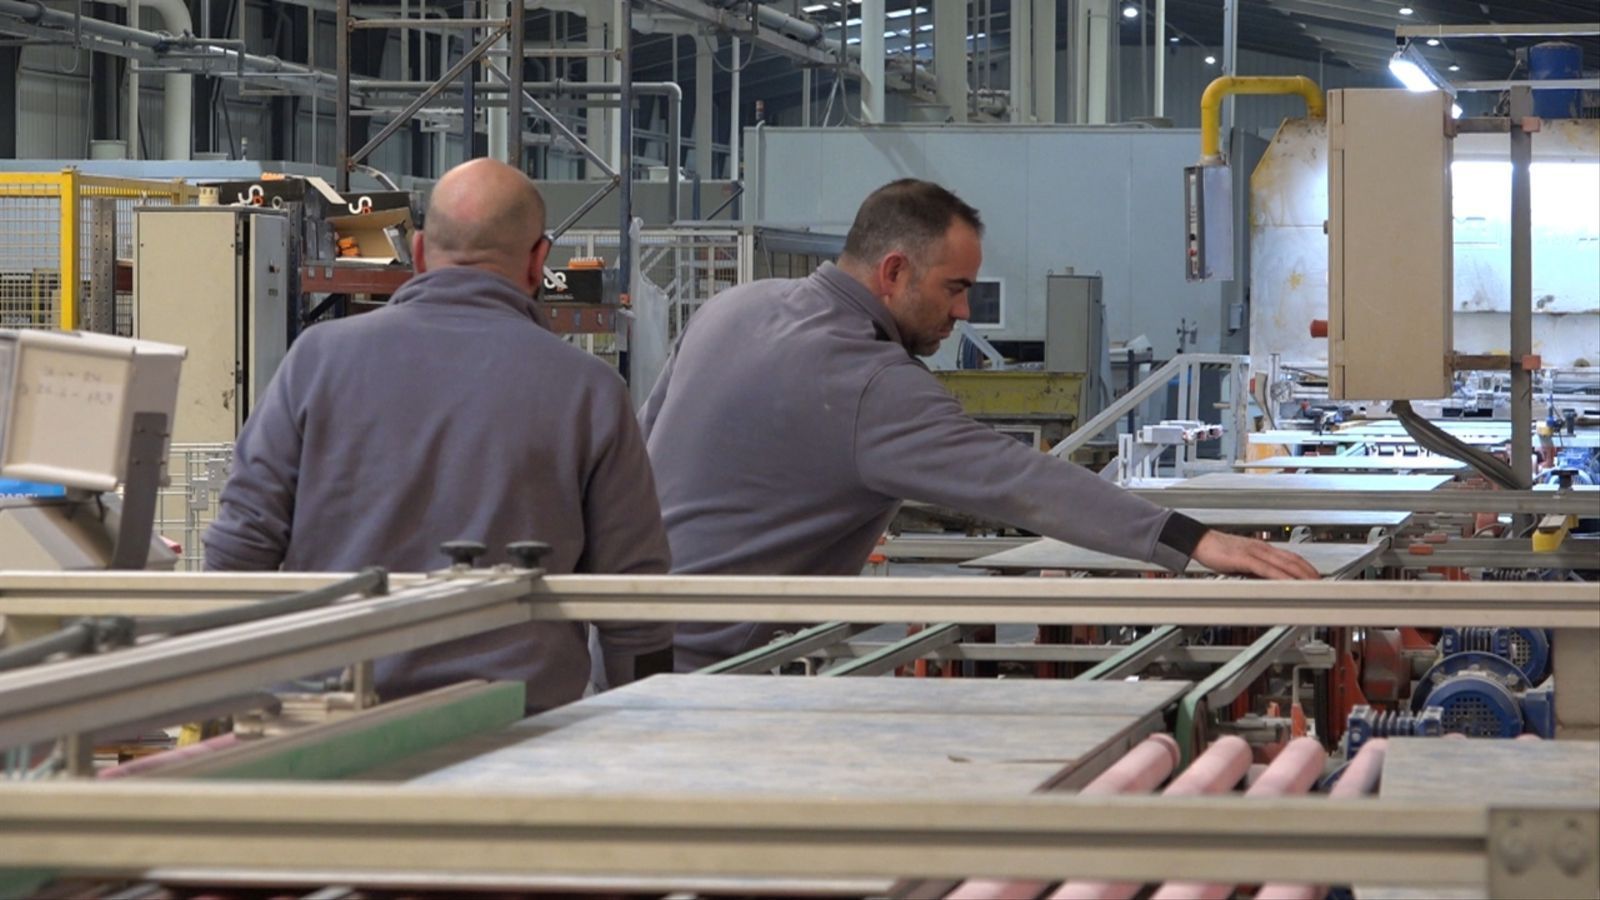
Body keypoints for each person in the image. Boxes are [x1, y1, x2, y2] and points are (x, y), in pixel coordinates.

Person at [641, 178, 1319, 670]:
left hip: (614, 642)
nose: (964, 314)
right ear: (895, 271)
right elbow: (1018, 480)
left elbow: (637, 451)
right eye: (955, 289)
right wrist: (1189, 539)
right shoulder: (871, 380)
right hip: (702, 672)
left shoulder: (731, 308)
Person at [204, 158, 671, 711]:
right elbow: (635, 604)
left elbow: (239, 551)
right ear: (540, 261)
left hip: (326, 734)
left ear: (420, 253)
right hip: (519, 742)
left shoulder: (317, 362)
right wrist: (649, 722)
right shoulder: (590, 392)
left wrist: (226, 710)